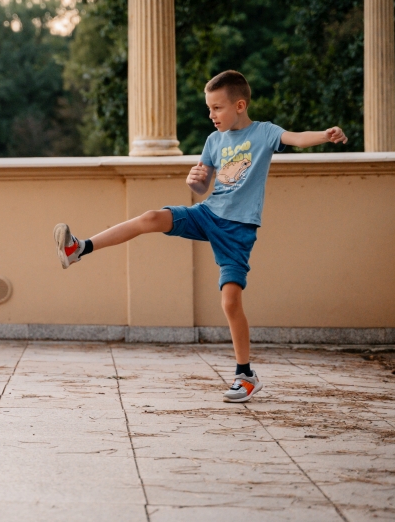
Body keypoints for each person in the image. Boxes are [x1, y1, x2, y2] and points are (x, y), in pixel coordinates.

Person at [53, 70, 348, 402]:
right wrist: (194, 180)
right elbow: (202, 186)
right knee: (151, 217)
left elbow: (296, 138)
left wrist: (325, 135)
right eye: (209, 109)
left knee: (230, 302)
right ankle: (79, 248)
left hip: (237, 230)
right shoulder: (213, 141)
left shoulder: (264, 133)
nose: (212, 115)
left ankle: (245, 375)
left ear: (239, 105)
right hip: (208, 214)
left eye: (217, 108)